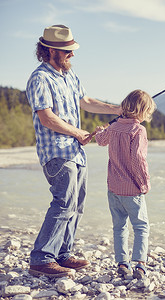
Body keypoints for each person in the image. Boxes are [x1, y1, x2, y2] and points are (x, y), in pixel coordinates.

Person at [26, 24, 122, 278]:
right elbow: (46, 117)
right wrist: (78, 133)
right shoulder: (39, 78)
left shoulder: (71, 76)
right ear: (49, 50)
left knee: (77, 204)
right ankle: (41, 258)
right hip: (55, 151)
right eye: (66, 50)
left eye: (71, 49)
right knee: (63, 202)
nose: (72, 54)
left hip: (76, 152)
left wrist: (117, 109)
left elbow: (87, 102)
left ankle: (62, 254)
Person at [94, 89, 156, 279]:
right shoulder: (138, 130)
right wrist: (144, 183)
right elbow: (138, 159)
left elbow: (101, 141)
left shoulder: (113, 128)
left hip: (113, 188)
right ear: (143, 111)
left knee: (119, 226)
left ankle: (122, 263)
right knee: (141, 226)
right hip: (132, 190)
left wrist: (99, 132)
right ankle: (140, 265)